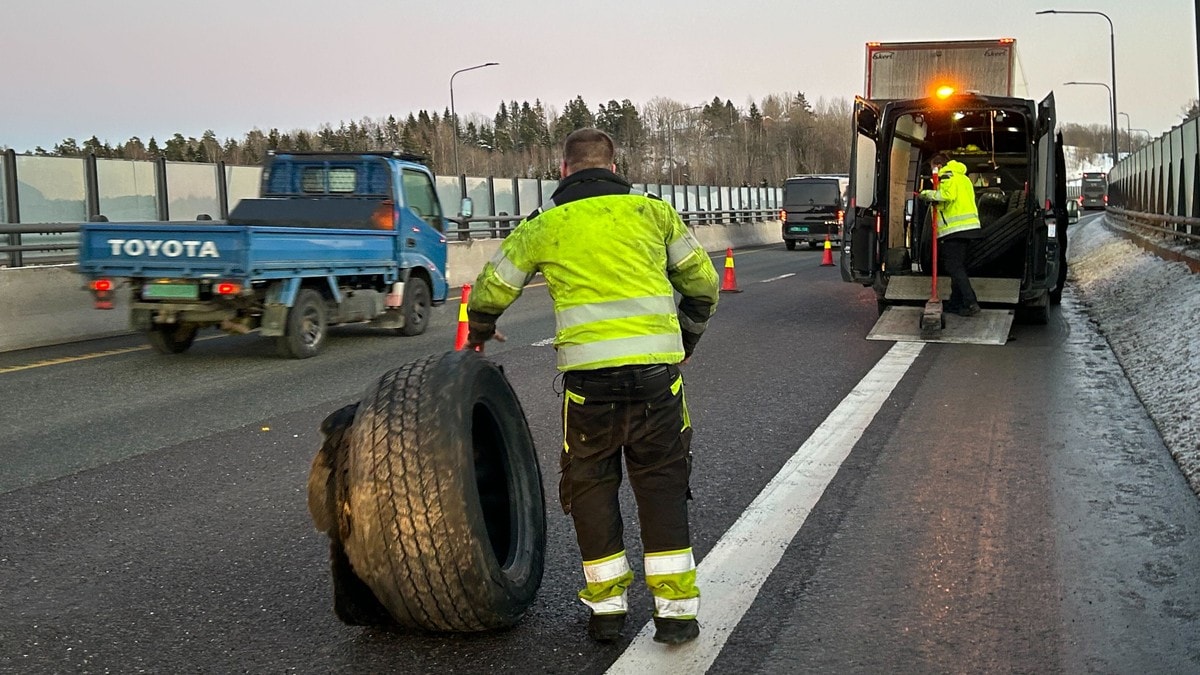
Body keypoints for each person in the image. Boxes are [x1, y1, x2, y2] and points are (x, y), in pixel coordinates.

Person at [465, 128, 719, 645]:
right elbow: (702, 285)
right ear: (614, 163)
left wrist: (482, 328)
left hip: (588, 390)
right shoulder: (653, 212)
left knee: (591, 489)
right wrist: (687, 338)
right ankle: (675, 614)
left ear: (563, 169)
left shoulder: (546, 225)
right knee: (662, 486)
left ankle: (607, 611)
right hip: (657, 383)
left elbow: (493, 285)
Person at [919, 153, 983, 316]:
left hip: (955, 230)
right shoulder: (963, 178)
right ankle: (956, 303)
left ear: (938, 166)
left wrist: (927, 194)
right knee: (958, 267)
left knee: (953, 266)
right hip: (970, 228)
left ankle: (971, 302)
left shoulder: (947, 175)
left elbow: (946, 196)